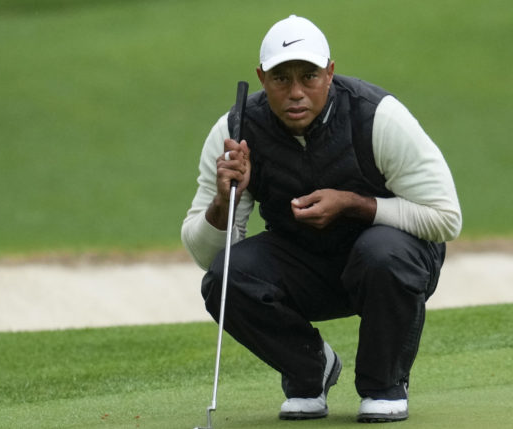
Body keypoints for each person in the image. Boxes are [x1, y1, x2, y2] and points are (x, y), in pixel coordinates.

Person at [181, 14, 461, 423]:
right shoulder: (236, 130)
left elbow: (446, 219)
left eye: (309, 76)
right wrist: (224, 201)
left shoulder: (378, 117)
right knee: (226, 277)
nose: (296, 92)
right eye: (281, 79)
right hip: (304, 265)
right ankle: (310, 370)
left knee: (381, 251)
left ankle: (384, 385)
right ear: (261, 78)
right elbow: (207, 255)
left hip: (387, 265)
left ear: (330, 73)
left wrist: (354, 204)